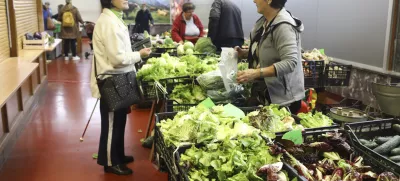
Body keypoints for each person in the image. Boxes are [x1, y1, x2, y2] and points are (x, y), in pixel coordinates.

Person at [91, 0, 151, 175]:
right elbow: (117, 59)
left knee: (120, 121)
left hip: (120, 80)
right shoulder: (108, 23)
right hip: (111, 81)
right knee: (111, 124)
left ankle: (117, 154)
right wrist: (139, 54)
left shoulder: (115, 19)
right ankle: (110, 162)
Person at [235, 0, 305, 114]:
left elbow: (290, 62)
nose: (253, 1)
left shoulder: (283, 26)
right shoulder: (265, 22)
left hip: (282, 100)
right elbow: (267, 50)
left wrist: (256, 73)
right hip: (264, 92)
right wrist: (244, 53)